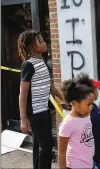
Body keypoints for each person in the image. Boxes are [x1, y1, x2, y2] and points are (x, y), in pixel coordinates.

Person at [18, 30, 63, 169]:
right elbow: (23, 93)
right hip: (35, 112)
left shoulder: (41, 62)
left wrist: (63, 99)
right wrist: (23, 119)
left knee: (39, 145)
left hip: (43, 109)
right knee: (47, 145)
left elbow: (49, 86)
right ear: (32, 46)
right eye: (41, 41)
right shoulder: (28, 65)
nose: (45, 43)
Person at [75, 73, 100, 169]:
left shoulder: (94, 107)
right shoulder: (87, 113)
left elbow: (98, 131)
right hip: (91, 157)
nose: (98, 91)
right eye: (97, 89)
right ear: (90, 92)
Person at [58, 80, 95, 169]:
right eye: (88, 104)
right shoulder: (68, 124)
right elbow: (61, 153)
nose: (91, 107)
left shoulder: (87, 115)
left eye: (92, 103)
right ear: (74, 103)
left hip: (89, 164)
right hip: (75, 166)